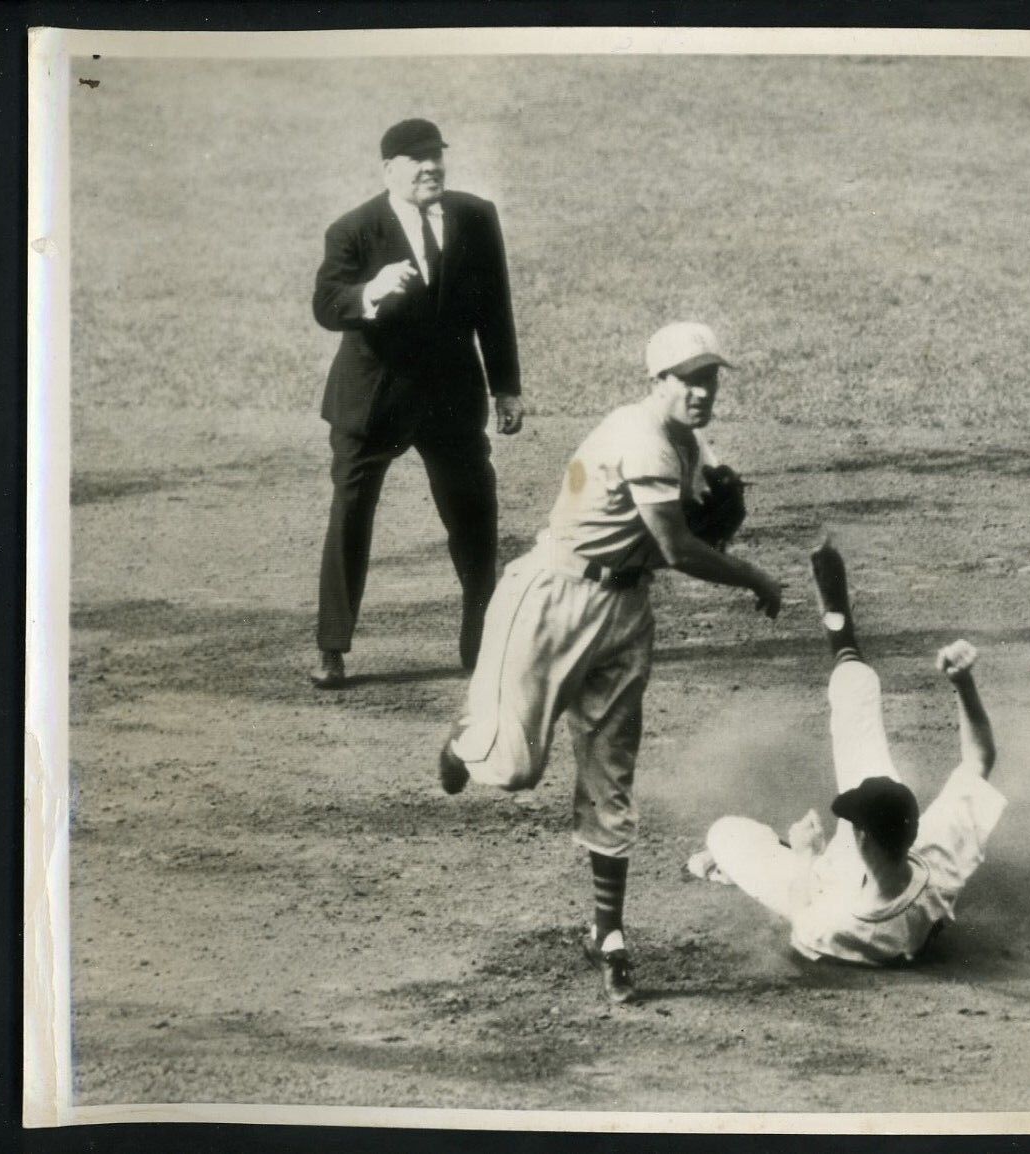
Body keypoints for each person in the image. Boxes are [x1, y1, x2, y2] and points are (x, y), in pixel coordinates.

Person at [439, 321, 784, 1003]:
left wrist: (717, 498)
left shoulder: (686, 440)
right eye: (689, 379)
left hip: (624, 614)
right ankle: (465, 736)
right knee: (512, 769)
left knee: (612, 777)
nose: (702, 392)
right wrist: (752, 576)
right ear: (657, 381)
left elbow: (702, 496)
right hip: (550, 601)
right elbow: (676, 546)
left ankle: (610, 934)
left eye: (710, 379)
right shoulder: (640, 437)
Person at [691, 543, 1005, 967]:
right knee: (859, 696)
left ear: (859, 837)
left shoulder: (838, 923)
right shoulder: (936, 857)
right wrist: (964, 685)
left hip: (817, 887)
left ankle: (748, 861)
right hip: (886, 871)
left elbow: (802, 920)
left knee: (725, 834)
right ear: (911, 830)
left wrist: (804, 856)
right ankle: (841, 633)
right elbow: (979, 760)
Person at [310, 118, 524, 688]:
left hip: (451, 400)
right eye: (415, 158)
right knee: (350, 517)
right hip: (372, 402)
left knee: (474, 516)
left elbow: (494, 307)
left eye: (435, 155)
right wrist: (370, 291)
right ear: (389, 170)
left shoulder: (476, 217)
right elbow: (327, 304)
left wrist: (506, 386)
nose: (431, 166)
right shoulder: (354, 229)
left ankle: (483, 642)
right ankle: (332, 648)